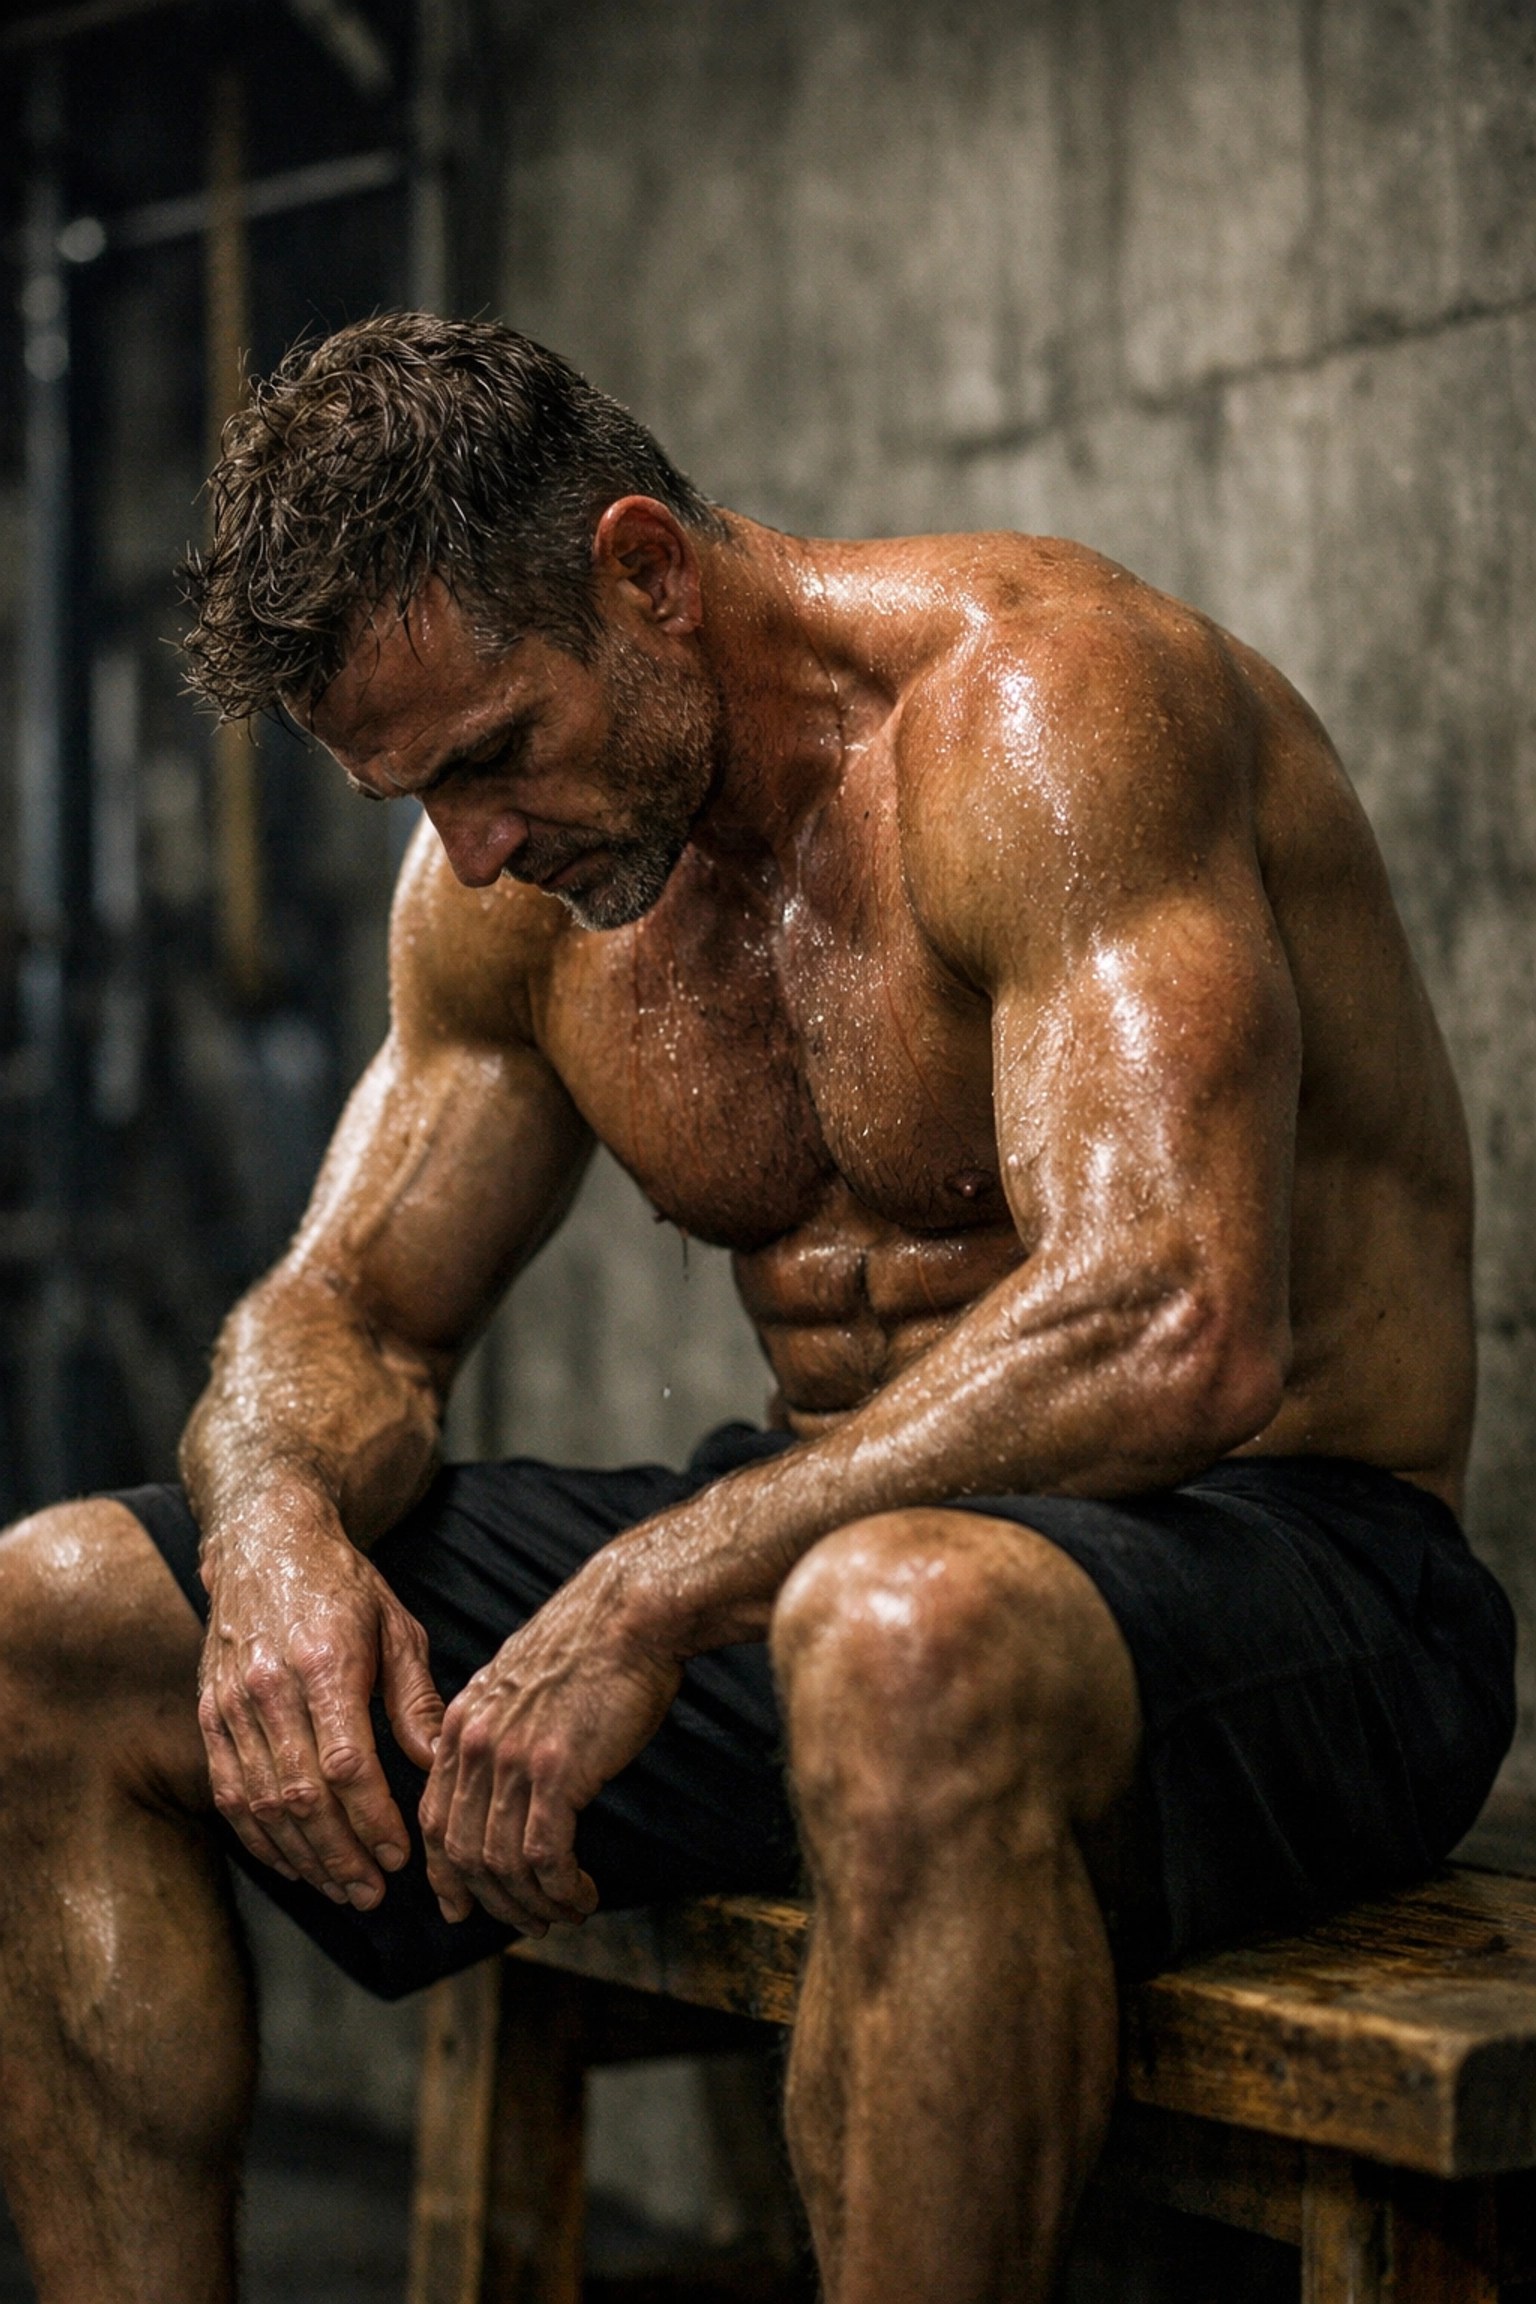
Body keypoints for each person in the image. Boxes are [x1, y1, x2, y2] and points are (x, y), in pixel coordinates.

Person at [0, 314, 1512, 2304]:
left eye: (493, 759)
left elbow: (1173, 1320)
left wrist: (648, 1594)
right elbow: (342, 1310)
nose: (476, 850)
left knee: (890, 1626)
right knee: (55, 1614)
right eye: (415, 803)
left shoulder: (1044, 715)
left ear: (645, 572)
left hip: (1301, 1576)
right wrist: (276, 1526)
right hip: (833, 1576)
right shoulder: (504, 889)